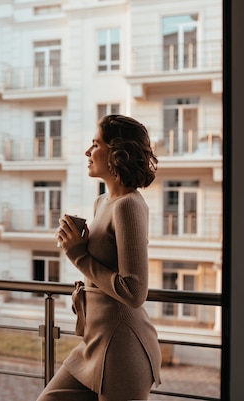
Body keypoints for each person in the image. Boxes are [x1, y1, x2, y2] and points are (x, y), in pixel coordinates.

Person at [37, 114, 162, 401]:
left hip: (122, 350)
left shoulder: (128, 206)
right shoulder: (102, 202)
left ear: (118, 153)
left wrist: (78, 255)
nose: (88, 152)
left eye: (96, 144)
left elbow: (134, 291)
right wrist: (76, 243)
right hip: (94, 345)